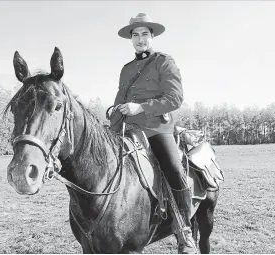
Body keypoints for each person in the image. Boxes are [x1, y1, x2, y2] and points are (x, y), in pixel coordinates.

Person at [111, 13, 197, 254]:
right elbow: (120, 100)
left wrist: (142, 107)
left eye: (144, 34)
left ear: (152, 37)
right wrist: (112, 124)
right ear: (131, 39)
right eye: (135, 35)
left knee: (172, 168)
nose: (140, 39)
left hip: (156, 128)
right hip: (128, 129)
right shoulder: (126, 69)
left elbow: (174, 98)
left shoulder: (164, 61)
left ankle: (184, 231)